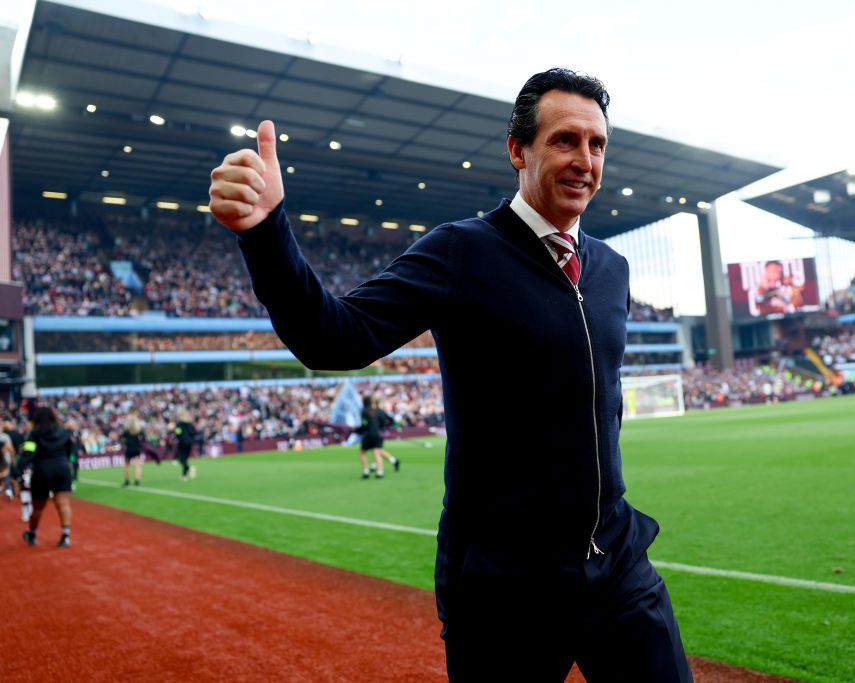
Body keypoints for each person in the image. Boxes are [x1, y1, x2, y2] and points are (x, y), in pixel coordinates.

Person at [210, 68, 692, 681]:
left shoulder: (612, 270)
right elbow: (332, 336)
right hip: (502, 581)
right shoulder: (460, 252)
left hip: (614, 560)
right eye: (565, 140)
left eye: (597, 145)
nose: (584, 160)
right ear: (518, 150)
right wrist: (266, 232)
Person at [17, 407, 73, 548]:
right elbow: (70, 451)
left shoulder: (33, 435)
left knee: (37, 508)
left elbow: (27, 456)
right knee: (64, 504)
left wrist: (19, 474)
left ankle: (32, 533)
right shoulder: (64, 433)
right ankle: (65, 536)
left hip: (42, 471)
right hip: (62, 469)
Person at [357, 395, 399, 479]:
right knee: (377, 451)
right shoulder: (378, 411)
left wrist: (357, 431)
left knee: (363, 453)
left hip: (369, 434)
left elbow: (364, 425)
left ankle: (366, 471)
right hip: (378, 434)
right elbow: (386, 422)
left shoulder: (364, 411)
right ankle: (380, 470)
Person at [121, 414, 145, 487]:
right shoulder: (139, 430)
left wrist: (127, 442)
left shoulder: (126, 431)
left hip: (129, 449)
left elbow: (123, 439)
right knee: (138, 465)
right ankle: (137, 481)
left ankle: (126, 481)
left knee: (126, 466)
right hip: (137, 449)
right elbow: (143, 439)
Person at [173, 410, 197, 481]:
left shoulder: (179, 424)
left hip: (182, 443)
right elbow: (194, 432)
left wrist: (177, 438)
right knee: (185, 459)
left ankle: (188, 468)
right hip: (189, 443)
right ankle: (184, 475)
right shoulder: (190, 424)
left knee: (181, 459)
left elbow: (178, 433)